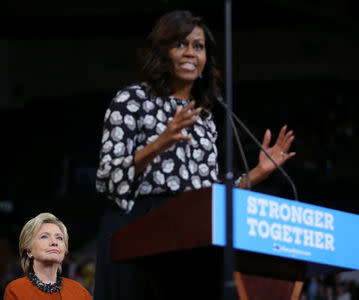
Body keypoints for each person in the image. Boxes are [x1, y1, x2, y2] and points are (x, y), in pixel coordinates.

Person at [94, 10, 296, 300]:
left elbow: (207, 196)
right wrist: (158, 144)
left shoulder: (204, 119)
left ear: (205, 62)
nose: (190, 52)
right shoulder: (132, 99)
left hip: (189, 233)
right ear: (162, 53)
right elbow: (108, 178)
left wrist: (258, 173)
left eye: (198, 46)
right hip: (136, 229)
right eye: (180, 44)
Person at [3, 213, 92, 300]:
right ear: (29, 251)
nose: (54, 242)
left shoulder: (80, 291)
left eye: (59, 238)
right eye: (44, 236)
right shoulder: (16, 290)